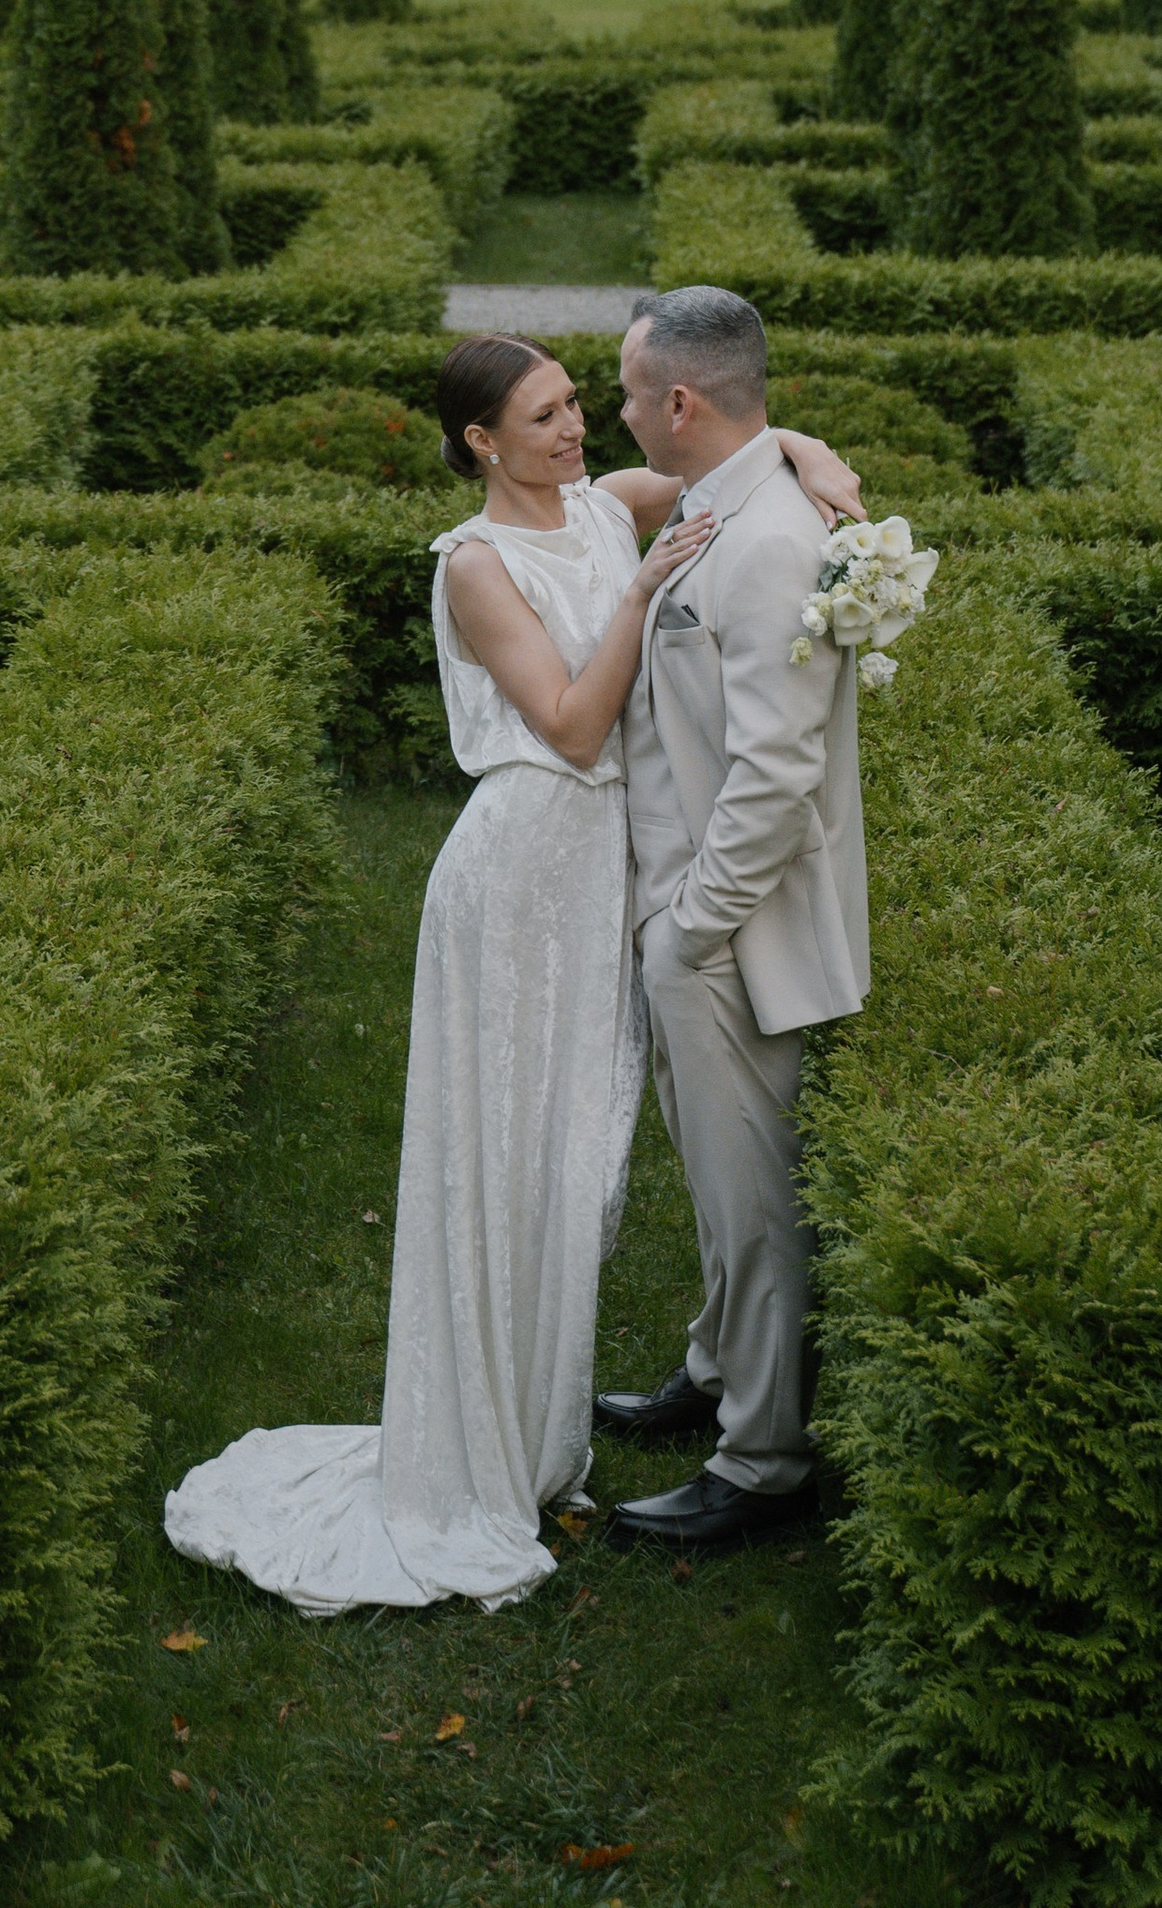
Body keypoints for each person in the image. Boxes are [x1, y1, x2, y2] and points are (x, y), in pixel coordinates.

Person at [162, 329, 860, 1615]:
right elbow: (576, 725)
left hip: (602, 878)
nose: (576, 427)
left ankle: (541, 1408)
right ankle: (475, 1440)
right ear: (481, 442)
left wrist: (818, 462)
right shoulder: (479, 565)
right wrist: (644, 596)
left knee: (577, 1160)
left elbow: (731, 457)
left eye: (579, 404)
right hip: (522, 878)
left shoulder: (602, 506)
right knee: (509, 1158)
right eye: (543, 415)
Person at [594, 285, 874, 1559]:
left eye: (627, 389)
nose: (615, 406)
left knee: (752, 1199)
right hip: (681, 915)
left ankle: (763, 1459)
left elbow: (776, 772)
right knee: (712, 1182)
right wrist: (799, 447)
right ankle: (714, 1372)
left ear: (682, 401)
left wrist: (693, 928)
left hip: (726, 934)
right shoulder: (738, 494)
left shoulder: (769, 542)